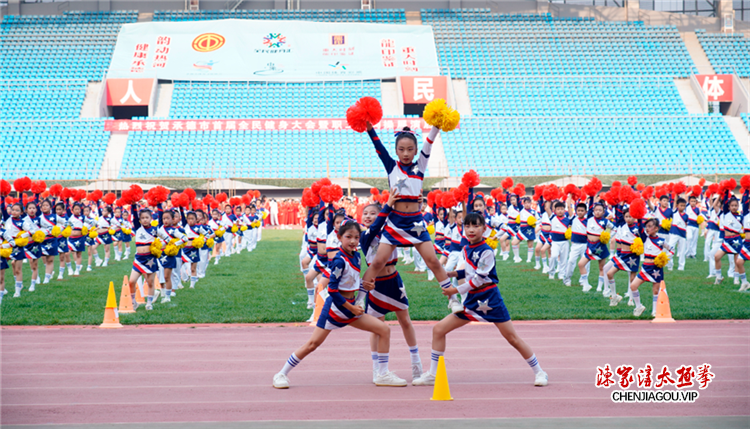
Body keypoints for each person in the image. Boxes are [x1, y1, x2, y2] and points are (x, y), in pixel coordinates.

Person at [412, 212, 548, 387]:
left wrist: (455, 289)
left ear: (484, 229)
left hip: (490, 299)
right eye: (467, 226)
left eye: (476, 226)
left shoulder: (487, 251)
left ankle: (540, 372)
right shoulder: (466, 248)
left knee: (512, 338)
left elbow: (479, 279)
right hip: (471, 302)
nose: (471, 230)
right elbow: (469, 272)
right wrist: (453, 273)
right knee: (439, 330)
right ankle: (433, 374)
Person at [272, 220, 407, 389]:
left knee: (384, 329)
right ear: (339, 237)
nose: (353, 241)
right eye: (348, 237)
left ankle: (382, 374)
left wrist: (365, 286)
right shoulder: (339, 261)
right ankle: (281, 374)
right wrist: (352, 308)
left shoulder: (356, 256)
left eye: (356, 237)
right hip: (336, 309)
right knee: (312, 344)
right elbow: (333, 290)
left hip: (350, 308)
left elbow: (352, 282)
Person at [362, 123, 453, 298]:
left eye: (410, 149)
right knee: (378, 262)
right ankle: (360, 298)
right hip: (395, 222)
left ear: (415, 150)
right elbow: (378, 146)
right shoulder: (391, 166)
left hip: (415, 222)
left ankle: (453, 298)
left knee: (433, 261)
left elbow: (429, 143)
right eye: (401, 149)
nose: (405, 153)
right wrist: (369, 128)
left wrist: (436, 126)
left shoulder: (420, 165)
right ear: (396, 151)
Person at [361, 190, 423, 383]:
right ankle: (378, 368)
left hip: (394, 281)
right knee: (378, 327)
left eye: (372, 213)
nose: (368, 216)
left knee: (405, 321)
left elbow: (404, 221)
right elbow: (380, 222)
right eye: (365, 213)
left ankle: (416, 363)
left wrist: (415, 206)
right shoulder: (365, 236)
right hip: (375, 285)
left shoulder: (390, 232)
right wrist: (387, 205)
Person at [629, 219, 673, 317]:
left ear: (656, 228)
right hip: (645, 268)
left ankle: (654, 311)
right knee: (633, 286)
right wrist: (639, 217)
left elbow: (672, 249)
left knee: (655, 290)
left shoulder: (661, 241)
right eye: (646, 226)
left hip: (656, 268)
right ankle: (639, 306)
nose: (647, 229)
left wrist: (665, 258)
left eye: (650, 226)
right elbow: (640, 229)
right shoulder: (645, 238)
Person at [129, 208, 170, 311]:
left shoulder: (155, 229)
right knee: (131, 281)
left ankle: (149, 303)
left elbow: (168, 239)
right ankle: (133, 302)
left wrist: (159, 246)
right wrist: (133, 204)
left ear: (151, 218)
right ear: (139, 220)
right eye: (142, 218)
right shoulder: (138, 228)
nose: (145, 220)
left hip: (150, 259)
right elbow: (134, 213)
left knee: (150, 283)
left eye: (147, 217)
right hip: (139, 259)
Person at [603, 210, 640, 306]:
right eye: (626, 216)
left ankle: (632, 300)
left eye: (630, 216)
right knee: (609, 273)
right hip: (623, 255)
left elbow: (642, 241)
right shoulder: (623, 227)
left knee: (632, 279)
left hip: (633, 257)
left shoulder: (637, 229)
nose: (628, 219)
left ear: (634, 217)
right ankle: (614, 296)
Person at [3, 203, 38, 297]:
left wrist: (23, 235)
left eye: (17, 210)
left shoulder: (23, 222)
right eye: (13, 210)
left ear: (21, 212)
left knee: (18, 269)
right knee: (2, 268)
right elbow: (2, 206)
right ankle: (3, 288)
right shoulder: (8, 218)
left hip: (17, 247)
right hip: (6, 246)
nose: (14, 212)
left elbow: (32, 231)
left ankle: (17, 290)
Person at [577, 202, 613, 293]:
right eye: (596, 210)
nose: (598, 212)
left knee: (601, 268)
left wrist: (607, 235)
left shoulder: (605, 221)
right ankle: (586, 285)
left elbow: (615, 229)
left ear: (603, 212)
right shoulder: (589, 219)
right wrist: (592, 196)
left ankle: (599, 287)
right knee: (581, 264)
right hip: (590, 246)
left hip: (600, 246)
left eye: (600, 210)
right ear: (593, 211)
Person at [712, 191, 744, 286]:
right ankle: (718, 276)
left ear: (738, 206)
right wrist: (722, 194)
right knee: (716, 257)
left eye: (736, 205)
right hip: (726, 240)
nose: (734, 207)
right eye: (732, 205)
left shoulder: (740, 217)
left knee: (736, 261)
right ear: (728, 207)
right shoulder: (726, 213)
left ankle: (736, 279)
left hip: (736, 240)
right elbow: (714, 205)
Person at [563, 201, 590, 287]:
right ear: (576, 211)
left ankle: (583, 280)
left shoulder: (588, 221)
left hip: (585, 245)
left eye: (582, 211)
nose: (580, 212)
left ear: (585, 212)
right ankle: (567, 279)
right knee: (571, 261)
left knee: (586, 264)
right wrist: (570, 194)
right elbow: (568, 205)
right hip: (575, 245)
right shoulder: (573, 219)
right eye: (578, 210)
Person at [547, 201, 571, 281]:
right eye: (558, 209)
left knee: (564, 259)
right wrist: (548, 199)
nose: (560, 211)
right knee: (553, 256)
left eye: (562, 209)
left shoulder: (567, 220)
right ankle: (551, 272)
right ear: (555, 210)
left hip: (565, 242)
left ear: (564, 210)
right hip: (555, 242)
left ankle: (561, 274)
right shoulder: (553, 217)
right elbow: (547, 208)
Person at [667, 197, 688, 271]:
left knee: (682, 251)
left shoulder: (686, 215)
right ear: (677, 206)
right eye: (681, 205)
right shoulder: (675, 212)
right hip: (674, 233)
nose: (682, 207)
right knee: (670, 248)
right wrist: (676, 193)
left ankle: (681, 266)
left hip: (682, 235)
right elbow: (675, 200)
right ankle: (669, 265)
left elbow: (686, 225)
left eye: (684, 206)